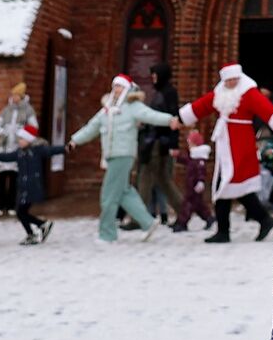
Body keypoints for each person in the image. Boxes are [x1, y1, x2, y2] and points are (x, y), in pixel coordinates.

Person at [178, 63, 273, 244]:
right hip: (226, 145)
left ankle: (228, 230)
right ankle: (260, 220)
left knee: (227, 186)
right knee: (234, 188)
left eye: (234, 79)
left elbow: (266, 108)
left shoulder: (248, 92)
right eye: (228, 80)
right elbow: (202, 106)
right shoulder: (220, 93)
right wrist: (181, 119)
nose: (231, 83)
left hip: (241, 145)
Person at [68, 73, 178, 243]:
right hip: (111, 155)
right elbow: (92, 127)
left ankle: (107, 234)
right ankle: (148, 222)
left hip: (123, 154)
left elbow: (151, 115)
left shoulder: (132, 106)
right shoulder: (107, 109)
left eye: (119, 87)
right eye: (114, 87)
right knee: (124, 192)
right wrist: (75, 140)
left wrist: (170, 120)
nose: (116, 90)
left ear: (127, 89)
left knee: (108, 195)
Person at [0, 123, 67, 244]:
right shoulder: (20, 153)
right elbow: (5, 157)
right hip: (23, 187)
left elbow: (52, 150)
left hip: (32, 187)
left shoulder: (37, 150)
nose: (20, 141)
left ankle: (37, 230)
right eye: (19, 139)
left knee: (21, 212)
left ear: (29, 140)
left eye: (22, 139)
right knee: (21, 212)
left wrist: (67, 147)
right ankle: (40, 226)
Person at [136, 61, 183, 224]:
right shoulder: (161, 93)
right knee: (163, 179)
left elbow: (173, 118)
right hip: (157, 140)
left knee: (145, 177)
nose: (153, 78)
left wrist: (173, 143)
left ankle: (139, 218)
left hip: (157, 142)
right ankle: (183, 211)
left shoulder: (168, 93)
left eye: (155, 75)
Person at [0, 83, 37, 217]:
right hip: (4, 148)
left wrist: (21, 133)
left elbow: (34, 127)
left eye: (16, 95)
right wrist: (4, 131)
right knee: (2, 177)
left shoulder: (28, 110)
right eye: (13, 95)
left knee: (14, 177)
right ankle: (0, 205)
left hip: (17, 148)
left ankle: (12, 204)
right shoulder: (6, 110)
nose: (14, 97)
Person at [170, 129, 214, 232]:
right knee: (198, 206)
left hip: (195, 186)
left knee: (187, 205)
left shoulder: (199, 159)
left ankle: (182, 222)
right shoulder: (193, 157)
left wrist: (201, 181)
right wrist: (177, 155)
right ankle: (208, 218)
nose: (189, 146)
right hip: (190, 186)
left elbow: (201, 172)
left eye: (191, 144)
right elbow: (185, 159)